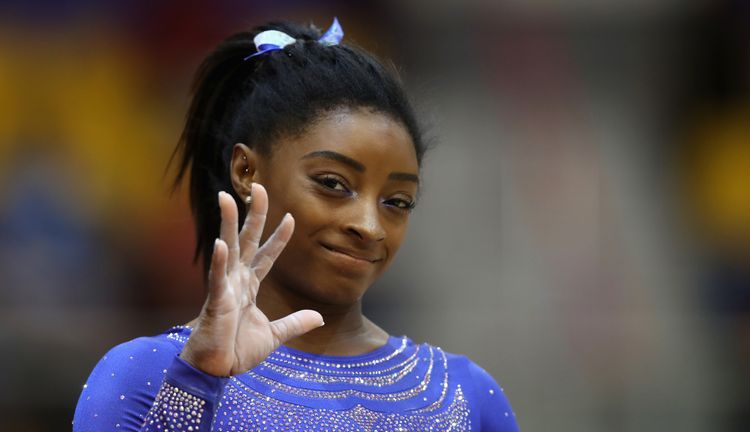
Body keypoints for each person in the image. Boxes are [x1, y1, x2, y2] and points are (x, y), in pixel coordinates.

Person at [72, 18, 519, 431]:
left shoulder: (465, 395)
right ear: (247, 171)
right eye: (333, 183)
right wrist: (197, 380)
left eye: (397, 201)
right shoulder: (147, 373)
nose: (369, 225)